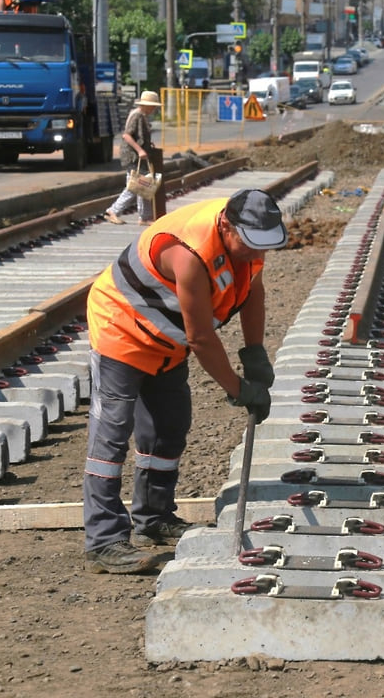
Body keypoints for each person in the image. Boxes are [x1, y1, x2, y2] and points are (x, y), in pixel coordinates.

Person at [82, 189, 287, 573]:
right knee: (111, 435)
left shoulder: (246, 241)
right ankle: (104, 541)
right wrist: (238, 389)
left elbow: (253, 288)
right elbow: (201, 338)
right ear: (226, 224)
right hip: (122, 329)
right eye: (249, 243)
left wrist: (254, 351)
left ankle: (153, 519)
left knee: (168, 425)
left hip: (165, 337)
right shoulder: (189, 251)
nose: (255, 252)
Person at [105, 91, 161, 226]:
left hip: (136, 155)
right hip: (133, 156)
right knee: (135, 186)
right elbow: (127, 136)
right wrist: (140, 150)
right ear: (145, 105)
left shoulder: (141, 115)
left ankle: (145, 217)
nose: (154, 109)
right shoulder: (137, 116)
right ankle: (113, 211)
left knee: (143, 184)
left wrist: (147, 144)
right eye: (152, 106)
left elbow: (138, 136)